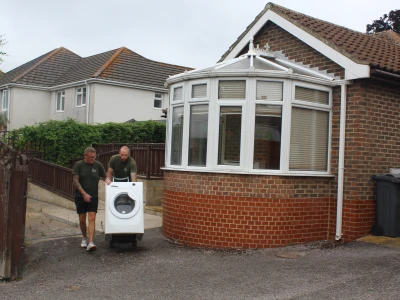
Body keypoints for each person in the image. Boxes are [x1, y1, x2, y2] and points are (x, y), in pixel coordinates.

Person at [72, 147, 108, 251]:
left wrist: (108, 181)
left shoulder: (98, 165)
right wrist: (84, 194)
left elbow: (104, 177)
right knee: (82, 218)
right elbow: (75, 181)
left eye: (94, 157)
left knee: (92, 217)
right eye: (90, 157)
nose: (93, 159)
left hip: (93, 196)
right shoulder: (78, 165)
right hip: (80, 196)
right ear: (85, 156)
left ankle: (91, 242)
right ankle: (84, 238)